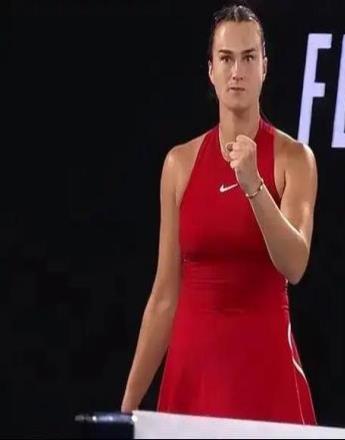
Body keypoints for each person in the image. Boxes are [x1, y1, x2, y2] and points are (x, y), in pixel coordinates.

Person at [121, 4, 318, 425]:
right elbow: (164, 295)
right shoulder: (180, 164)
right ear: (211, 70)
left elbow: (295, 264)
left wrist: (253, 185)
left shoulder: (294, 158)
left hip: (265, 373)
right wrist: (127, 407)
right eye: (226, 59)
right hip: (192, 374)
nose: (237, 72)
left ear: (264, 67)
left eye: (248, 58)